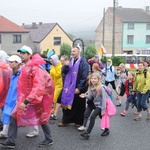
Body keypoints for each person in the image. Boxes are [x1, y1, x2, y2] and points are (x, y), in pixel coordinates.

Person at [0, 45, 54, 149]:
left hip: (35, 99)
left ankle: (49, 138)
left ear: (29, 55)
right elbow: (22, 85)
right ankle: (11, 141)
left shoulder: (35, 68)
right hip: (27, 99)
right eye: (20, 53)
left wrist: (26, 101)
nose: (21, 55)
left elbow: (38, 86)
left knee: (42, 118)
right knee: (13, 116)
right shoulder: (25, 67)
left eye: (24, 53)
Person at [57, 46, 89, 127]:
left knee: (79, 105)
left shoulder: (83, 63)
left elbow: (84, 76)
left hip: (78, 87)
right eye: (71, 51)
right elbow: (63, 72)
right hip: (68, 87)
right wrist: (66, 66)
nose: (72, 53)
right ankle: (65, 121)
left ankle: (79, 122)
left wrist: (79, 88)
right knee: (67, 103)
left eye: (74, 51)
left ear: (79, 52)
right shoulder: (70, 61)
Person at [79, 73, 109, 139]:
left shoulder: (101, 88)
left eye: (95, 79)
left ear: (98, 80)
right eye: (92, 78)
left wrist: (103, 110)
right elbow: (90, 97)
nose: (93, 80)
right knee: (102, 117)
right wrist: (85, 96)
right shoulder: (91, 87)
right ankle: (107, 129)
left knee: (93, 116)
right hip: (96, 104)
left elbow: (104, 99)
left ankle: (88, 133)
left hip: (101, 105)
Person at [0, 55, 21, 138]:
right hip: (10, 97)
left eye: (12, 62)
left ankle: (10, 140)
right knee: (7, 114)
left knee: (13, 117)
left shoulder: (21, 73)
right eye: (9, 62)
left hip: (16, 98)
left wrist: (20, 98)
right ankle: (5, 133)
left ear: (17, 63)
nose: (9, 63)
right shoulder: (12, 72)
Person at [0, 50, 11, 130]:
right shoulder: (9, 68)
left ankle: (3, 125)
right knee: (5, 108)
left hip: (2, 92)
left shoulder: (1, 70)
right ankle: (5, 124)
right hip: (8, 93)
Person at [50, 55, 63, 120]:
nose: (50, 61)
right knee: (53, 98)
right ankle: (53, 112)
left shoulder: (59, 66)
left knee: (55, 98)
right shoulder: (54, 66)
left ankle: (54, 112)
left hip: (59, 84)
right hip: (54, 84)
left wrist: (52, 70)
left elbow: (58, 75)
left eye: (52, 60)